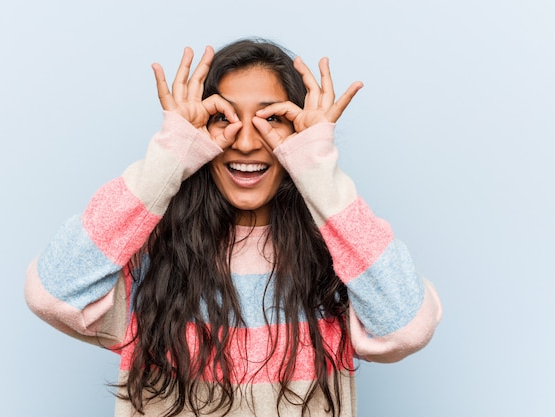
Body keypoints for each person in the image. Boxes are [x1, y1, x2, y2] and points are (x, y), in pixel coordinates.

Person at [25, 38, 442, 417]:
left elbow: (407, 328)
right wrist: (171, 153)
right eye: (224, 117)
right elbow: (51, 292)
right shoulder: (148, 253)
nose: (245, 142)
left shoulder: (338, 258)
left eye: (270, 119)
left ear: (299, 133)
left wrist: (317, 168)